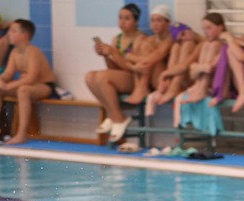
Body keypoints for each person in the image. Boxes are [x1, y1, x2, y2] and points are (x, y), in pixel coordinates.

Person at [0, 19, 57, 145]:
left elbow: (31, 78)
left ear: (25, 36)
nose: (9, 34)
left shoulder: (33, 51)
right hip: (26, 85)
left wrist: (9, 86)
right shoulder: (14, 52)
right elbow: (8, 73)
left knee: (23, 90)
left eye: (13, 31)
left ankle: (22, 134)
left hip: (44, 86)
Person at [85, 4, 145, 143]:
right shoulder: (116, 39)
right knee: (90, 77)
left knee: (102, 77)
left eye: (127, 18)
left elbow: (132, 68)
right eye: (120, 18)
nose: (122, 22)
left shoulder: (140, 40)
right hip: (121, 77)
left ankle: (118, 118)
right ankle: (113, 114)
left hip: (135, 79)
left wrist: (113, 53)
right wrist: (105, 55)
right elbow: (112, 68)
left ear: (136, 21)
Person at [144, 21, 201, 118]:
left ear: (190, 30)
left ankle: (174, 87)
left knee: (187, 44)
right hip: (185, 80)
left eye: (183, 34)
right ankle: (170, 85)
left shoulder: (201, 43)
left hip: (195, 81)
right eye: (180, 39)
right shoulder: (179, 44)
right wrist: (166, 78)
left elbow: (184, 66)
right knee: (175, 47)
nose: (184, 39)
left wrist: (164, 74)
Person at [123, 5, 174, 107]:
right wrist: (133, 66)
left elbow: (154, 58)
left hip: (164, 81)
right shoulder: (150, 39)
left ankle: (142, 88)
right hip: (150, 77)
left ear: (168, 23)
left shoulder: (170, 39)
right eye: (153, 20)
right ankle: (139, 87)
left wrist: (129, 56)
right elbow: (130, 59)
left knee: (151, 56)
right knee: (141, 41)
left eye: (159, 20)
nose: (155, 24)